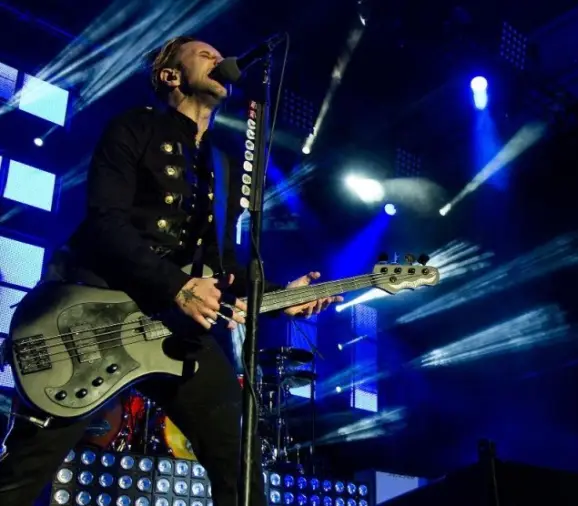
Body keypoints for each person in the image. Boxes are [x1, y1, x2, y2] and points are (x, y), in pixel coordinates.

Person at [0, 36, 341, 505]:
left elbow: (222, 270)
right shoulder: (133, 128)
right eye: (205, 55)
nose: (220, 59)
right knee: (22, 474)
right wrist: (178, 286)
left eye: (220, 54)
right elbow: (105, 223)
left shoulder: (220, 165)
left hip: (177, 337)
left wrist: (282, 294)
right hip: (91, 317)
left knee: (238, 465)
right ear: (170, 75)